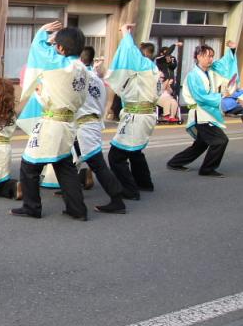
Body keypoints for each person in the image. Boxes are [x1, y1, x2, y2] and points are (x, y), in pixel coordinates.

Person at [12, 21, 88, 221]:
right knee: (64, 166)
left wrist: (42, 33)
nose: (54, 48)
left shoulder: (60, 65)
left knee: (29, 165)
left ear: (61, 48)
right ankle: (77, 209)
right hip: (69, 122)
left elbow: (38, 49)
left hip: (53, 122)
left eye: (57, 46)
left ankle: (32, 207)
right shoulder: (82, 68)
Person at [167, 41, 238, 177]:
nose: (210, 59)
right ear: (198, 56)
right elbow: (200, 97)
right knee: (220, 140)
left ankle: (175, 162)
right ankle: (207, 169)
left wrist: (232, 50)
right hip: (201, 114)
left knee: (201, 144)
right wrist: (221, 95)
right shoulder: (193, 76)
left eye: (212, 56)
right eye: (207, 56)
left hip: (206, 112)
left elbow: (225, 64)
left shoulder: (210, 71)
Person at [105, 27, 161, 201]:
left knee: (116, 155)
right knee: (135, 151)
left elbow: (130, 51)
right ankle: (144, 182)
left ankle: (129, 190)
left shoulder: (143, 67)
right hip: (145, 114)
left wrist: (125, 32)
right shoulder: (152, 70)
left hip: (137, 116)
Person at [72, 46, 126, 213]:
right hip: (92, 122)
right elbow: (102, 103)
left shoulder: (79, 78)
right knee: (70, 159)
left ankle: (117, 198)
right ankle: (72, 190)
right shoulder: (97, 79)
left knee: (97, 163)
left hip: (84, 125)